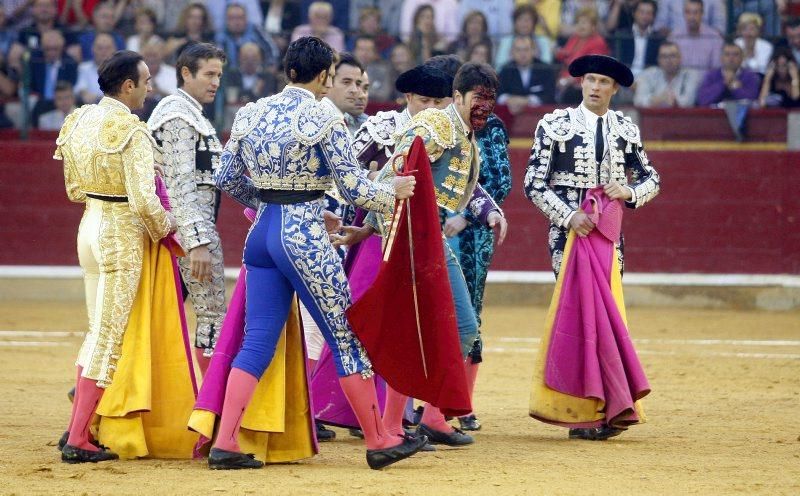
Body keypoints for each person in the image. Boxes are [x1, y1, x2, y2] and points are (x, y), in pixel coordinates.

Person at [210, 36, 426, 470]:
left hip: (262, 236)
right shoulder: (323, 116)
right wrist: (393, 191)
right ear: (325, 75)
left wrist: (271, 201)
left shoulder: (251, 113)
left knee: (257, 339)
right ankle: (379, 438)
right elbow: (352, 188)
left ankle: (227, 442)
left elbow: (227, 177)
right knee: (345, 335)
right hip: (304, 237)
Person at [353, 62, 508, 447]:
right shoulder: (437, 125)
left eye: (490, 99)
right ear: (458, 96)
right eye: (478, 97)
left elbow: (459, 189)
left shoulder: (467, 134)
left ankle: (427, 418)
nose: (484, 105)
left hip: (430, 239)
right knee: (426, 330)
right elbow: (394, 174)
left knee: (458, 328)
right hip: (412, 239)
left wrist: (490, 211)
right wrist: (377, 226)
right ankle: (397, 425)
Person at [524, 54, 659, 440]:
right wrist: (569, 216)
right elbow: (534, 183)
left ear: (614, 89)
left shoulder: (625, 129)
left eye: (603, 82)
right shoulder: (554, 125)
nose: (596, 87)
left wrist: (630, 191)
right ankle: (581, 412)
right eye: (590, 80)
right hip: (569, 238)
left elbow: (652, 178)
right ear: (581, 83)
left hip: (609, 241)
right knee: (580, 320)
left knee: (608, 319)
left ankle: (608, 407)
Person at [54, 49, 178, 462]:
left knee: (95, 332)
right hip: (119, 237)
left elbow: (73, 189)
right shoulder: (133, 130)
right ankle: (77, 439)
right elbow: (144, 201)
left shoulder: (78, 120)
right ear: (128, 86)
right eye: (145, 82)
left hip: (88, 227)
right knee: (108, 339)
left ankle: (77, 428)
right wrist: (168, 232)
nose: (149, 89)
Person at [147, 43, 227, 375]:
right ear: (185, 73)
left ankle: (98, 393)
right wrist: (196, 242)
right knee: (210, 315)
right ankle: (210, 410)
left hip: (183, 233)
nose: (216, 82)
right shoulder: (178, 115)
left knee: (155, 317)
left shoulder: (190, 113)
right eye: (209, 74)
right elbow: (180, 183)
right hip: (187, 236)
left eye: (219, 75)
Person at [498, 35, 557, 114]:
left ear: (533, 51)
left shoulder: (545, 69)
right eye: (518, 50)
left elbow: (550, 96)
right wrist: (509, 100)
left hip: (539, 116)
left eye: (526, 49)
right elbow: (498, 94)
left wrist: (527, 101)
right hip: (511, 115)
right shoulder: (506, 69)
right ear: (512, 52)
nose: (522, 54)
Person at [633, 41, 701, 108]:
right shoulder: (649, 74)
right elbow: (638, 101)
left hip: (682, 118)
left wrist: (673, 101)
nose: (668, 60)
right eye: (664, 56)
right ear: (658, 60)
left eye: (673, 56)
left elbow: (689, 102)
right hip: (654, 117)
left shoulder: (690, 75)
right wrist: (659, 99)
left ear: (680, 58)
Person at [696, 42, 760, 107]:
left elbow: (752, 101)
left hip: (741, 115)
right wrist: (723, 83)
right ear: (721, 58)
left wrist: (735, 88)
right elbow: (703, 100)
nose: (731, 58)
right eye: (727, 54)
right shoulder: (711, 75)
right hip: (714, 115)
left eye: (736, 54)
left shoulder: (750, 76)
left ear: (742, 58)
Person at [667, 0, 723, 71]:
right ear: (684, 14)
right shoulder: (674, 37)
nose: (692, 17)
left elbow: (717, 69)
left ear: (702, 14)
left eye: (696, 13)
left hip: (706, 81)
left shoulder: (714, 38)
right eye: (688, 12)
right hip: (681, 81)